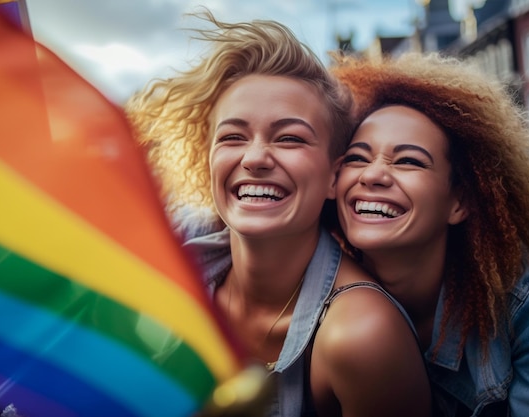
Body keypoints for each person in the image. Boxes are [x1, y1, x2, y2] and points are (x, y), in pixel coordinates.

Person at [126, 10, 431, 417]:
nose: (254, 158)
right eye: (233, 136)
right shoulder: (168, 281)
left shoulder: (360, 335)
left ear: (333, 177)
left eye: (289, 138)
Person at [329, 52, 529, 417]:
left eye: (408, 161)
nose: (373, 175)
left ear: (459, 202)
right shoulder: (314, 286)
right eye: (357, 158)